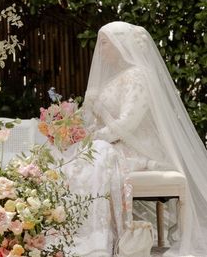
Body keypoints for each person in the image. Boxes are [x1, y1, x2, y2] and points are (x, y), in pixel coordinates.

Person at [82, 21, 207, 257]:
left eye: (105, 44)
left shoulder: (137, 76)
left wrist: (98, 131)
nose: (101, 50)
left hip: (139, 149)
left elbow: (128, 122)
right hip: (118, 143)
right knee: (82, 159)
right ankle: (96, 237)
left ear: (121, 44)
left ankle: (105, 240)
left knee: (92, 161)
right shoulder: (117, 78)